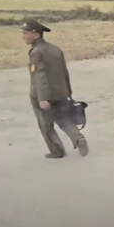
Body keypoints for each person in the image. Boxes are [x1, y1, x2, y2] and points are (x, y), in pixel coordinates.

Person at [22, 19, 89, 159]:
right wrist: (68, 92)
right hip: (60, 93)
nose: (23, 36)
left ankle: (56, 151)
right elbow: (64, 71)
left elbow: (39, 76)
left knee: (45, 125)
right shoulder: (55, 48)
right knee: (63, 118)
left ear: (36, 35)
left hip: (44, 96)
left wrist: (42, 98)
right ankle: (78, 138)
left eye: (26, 33)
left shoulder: (36, 53)